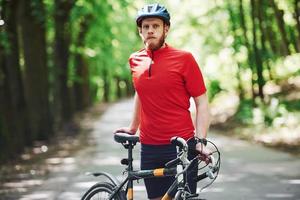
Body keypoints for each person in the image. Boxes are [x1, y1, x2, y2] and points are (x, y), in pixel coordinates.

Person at [115, 3, 210, 200]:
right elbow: (141, 92)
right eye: (146, 26)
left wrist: (200, 141)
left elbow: (201, 102)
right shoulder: (135, 60)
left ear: (166, 29)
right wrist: (133, 127)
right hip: (149, 147)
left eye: (156, 26)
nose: (150, 30)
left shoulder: (185, 59)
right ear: (140, 31)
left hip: (181, 146)